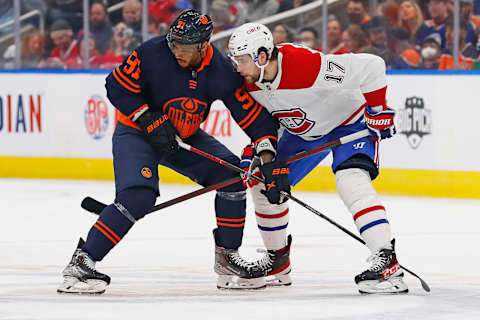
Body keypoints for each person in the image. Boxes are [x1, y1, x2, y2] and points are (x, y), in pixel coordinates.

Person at [57, 10, 280, 294]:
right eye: (174, 44)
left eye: (184, 48)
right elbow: (115, 86)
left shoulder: (223, 71)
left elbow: (253, 118)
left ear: (203, 46)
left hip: (182, 138)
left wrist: (268, 157)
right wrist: (147, 117)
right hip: (137, 133)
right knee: (138, 196)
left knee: (231, 177)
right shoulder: (152, 52)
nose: (177, 52)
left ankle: (227, 259)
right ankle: (81, 262)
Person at [228, 22, 408, 294]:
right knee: (263, 185)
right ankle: (278, 262)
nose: (238, 68)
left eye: (242, 61)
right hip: (302, 131)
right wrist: (254, 154)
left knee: (351, 179)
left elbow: (371, 66)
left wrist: (378, 109)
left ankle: (386, 261)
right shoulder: (250, 82)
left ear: (262, 56)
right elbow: (265, 125)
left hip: (349, 124)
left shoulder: (304, 65)